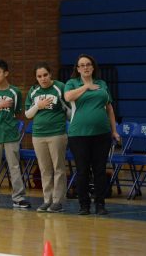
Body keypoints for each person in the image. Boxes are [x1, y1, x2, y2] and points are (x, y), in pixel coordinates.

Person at [64, 54, 120, 215]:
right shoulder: (72, 83)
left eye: (88, 64)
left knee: (100, 170)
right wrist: (85, 87)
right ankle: (84, 205)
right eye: (82, 65)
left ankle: (100, 204)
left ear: (93, 67)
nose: (86, 67)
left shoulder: (102, 84)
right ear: (78, 68)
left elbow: (109, 108)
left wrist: (114, 130)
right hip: (78, 135)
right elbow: (68, 97)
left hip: (101, 134)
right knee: (82, 170)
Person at [0, 60, 30, 209]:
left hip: (11, 135)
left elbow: (17, 113)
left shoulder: (15, 92)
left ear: (6, 73)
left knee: (14, 166)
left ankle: (19, 197)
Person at [25, 62, 69, 213]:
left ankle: (57, 201)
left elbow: (69, 110)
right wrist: (39, 105)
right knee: (45, 169)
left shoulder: (60, 87)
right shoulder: (33, 91)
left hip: (57, 133)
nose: (42, 78)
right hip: (38, 135)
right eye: (39, 76)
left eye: (45, 75)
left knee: (58, 167)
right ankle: (46, 199)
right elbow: (28, 114)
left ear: (50, 74)